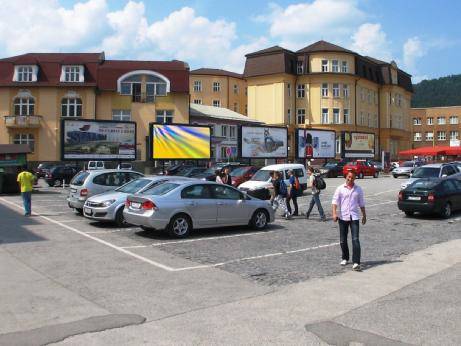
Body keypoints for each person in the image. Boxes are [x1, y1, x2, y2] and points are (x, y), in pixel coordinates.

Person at [332, 170, 366, 271]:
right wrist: (334, 213)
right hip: (343, 217)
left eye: (352, 178)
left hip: (354, 217)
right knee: (343, 240)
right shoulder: (340, 188)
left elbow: (361, 203)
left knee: (355, 239)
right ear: (346, 177)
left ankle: (356, 262)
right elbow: (335, 201)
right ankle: (345, 258)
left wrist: (364, 215)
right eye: (349, 177)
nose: (350, 179)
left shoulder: (358, 189)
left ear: (355, 178)